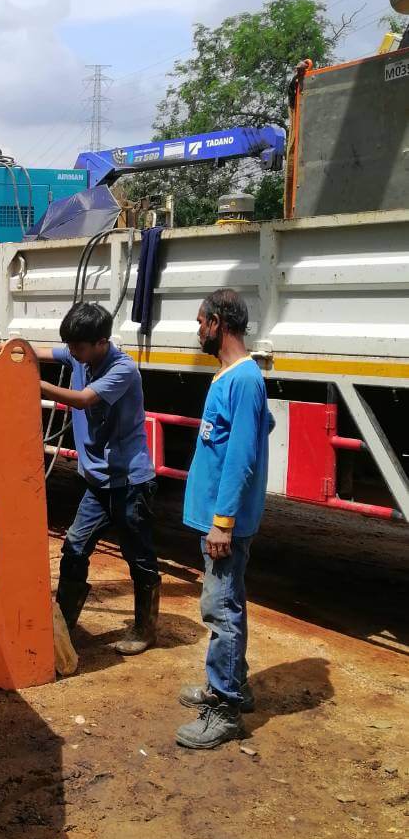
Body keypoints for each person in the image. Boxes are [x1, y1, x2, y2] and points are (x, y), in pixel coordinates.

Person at [176, 288, 273, 749]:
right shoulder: (232, 377)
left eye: (200, 322)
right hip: (217, 517)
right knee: (229, 601)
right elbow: (260, 428)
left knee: (221, 611)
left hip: (223, 523)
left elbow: (240, 459)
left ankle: (224, 707)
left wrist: (224, 523)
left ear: (218, 323)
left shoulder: (244, 379)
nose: (197, 331)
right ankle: (234, 685)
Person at [37, 302, 160, 654]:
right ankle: (62, 624)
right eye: (71, 347)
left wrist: (37, 382)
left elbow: (82, 400)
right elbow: (36, 351)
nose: (73, 354)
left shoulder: (123, 370)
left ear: (101, 342)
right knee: (74, 547)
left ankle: (145, 629)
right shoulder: (81, 354)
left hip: (128, 482)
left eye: (79, 347)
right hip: (97, 483)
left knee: (139, 557)